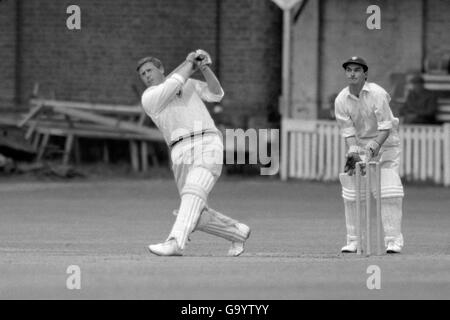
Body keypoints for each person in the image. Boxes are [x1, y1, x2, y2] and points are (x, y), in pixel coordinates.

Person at [136, 50, 251, 256]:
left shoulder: (188, 84)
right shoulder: (149, 97)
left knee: (193, 193)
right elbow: (173, 84)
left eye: (149, 70)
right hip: (179, 152)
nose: (146, 76)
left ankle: (175, 242)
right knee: (196, 212)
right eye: (142, 74)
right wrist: (190, 62)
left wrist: (204, 67)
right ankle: (238, 232)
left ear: (160, 69)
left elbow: (216, 94)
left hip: (207, 142)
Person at [334, 56, 404, 254]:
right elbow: (347, 131)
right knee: (352, 193)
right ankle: (354, 240)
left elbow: (386, 126)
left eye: (357, 70)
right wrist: (354, 151)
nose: (352, 73)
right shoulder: (341, 99)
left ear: (365, 74)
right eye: (349, 70)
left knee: (389, 191)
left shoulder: (378, 94)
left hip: (386, 144)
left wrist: (373, 148)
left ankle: (393, 241)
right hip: (361, 146)